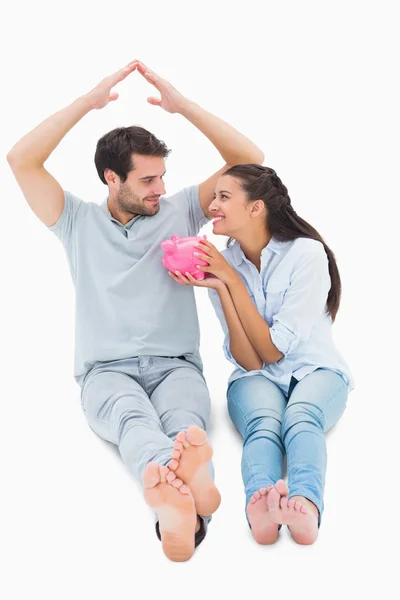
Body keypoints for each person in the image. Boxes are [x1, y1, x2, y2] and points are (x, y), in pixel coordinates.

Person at [6, 60, 265, 561]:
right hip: (107, 372)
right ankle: (190, 498)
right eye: (147, 180)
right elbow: (20, 159)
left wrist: (183, 106)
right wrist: (86, 102)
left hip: (176, 366)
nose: (160, 189)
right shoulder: (74, 220)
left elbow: (250, 160)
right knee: (131, 418)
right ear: (111, 178)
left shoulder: (185, 208)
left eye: (162, 177)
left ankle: (174, 506)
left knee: (186, 419)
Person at [169, 163, 354, 546]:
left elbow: (272, 349)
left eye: (224, 197)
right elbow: (252, 361)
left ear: (256, 208)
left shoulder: (306, 253)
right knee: (264, 425)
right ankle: (261, 506)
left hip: (316, 370)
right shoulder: (224, 262)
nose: (212, 205)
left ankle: (305, 503)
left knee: (301, 417)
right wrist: (220, 287)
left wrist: (231, 280)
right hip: (255, 378)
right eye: (214, 196)